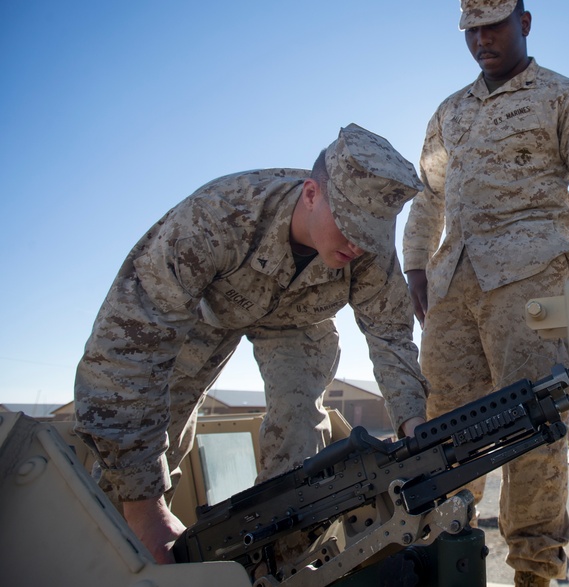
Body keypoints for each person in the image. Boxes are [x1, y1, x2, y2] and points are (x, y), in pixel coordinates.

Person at [75, 123, 428, 565]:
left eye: (371, 232)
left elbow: (391, 334)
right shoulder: (217, 216)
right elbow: (126, 349)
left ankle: (281, 566)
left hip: (301, 322)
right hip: (209, 310)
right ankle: (115, 553)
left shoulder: (367, 248)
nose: (359, 244)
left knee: (299, 438)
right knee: (162, 413)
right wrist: (143, 509)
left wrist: (413, 422)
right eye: (350, 226)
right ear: (312, 193)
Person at [402, 0, 569, 587]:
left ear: (524, 23)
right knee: (443, 426)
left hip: (531, 275)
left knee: (533, 426)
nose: (481, 40)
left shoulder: (568, 99)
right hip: (455, 281)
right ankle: (444, 555)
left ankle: (536, 571)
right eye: (471, 30)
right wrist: (414, 263)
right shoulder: (450, 112)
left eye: (493, 27)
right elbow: (430, 194)